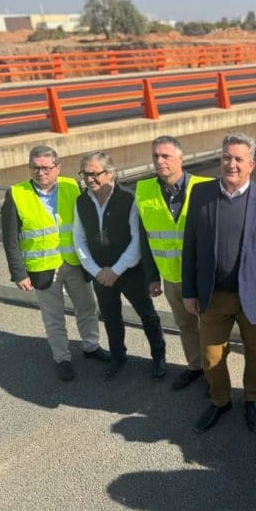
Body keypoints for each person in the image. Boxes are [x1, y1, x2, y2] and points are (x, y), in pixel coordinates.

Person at [182, 132, 256, 434]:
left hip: (255, 296)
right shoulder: (201, 194)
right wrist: (189, 291)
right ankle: (220, 400)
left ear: (251, 164)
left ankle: (252, 398)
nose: (231, 164)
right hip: (213, 296)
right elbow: (189, 246)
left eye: (239, 159)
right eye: (227, 157)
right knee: (212, 355)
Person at [1, 145, 109, 382]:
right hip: (42, 268)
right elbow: (10, 239)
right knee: (53, 316)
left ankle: (91, 346)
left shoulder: (73, 186)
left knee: (87, 307)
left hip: (74, 262)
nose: (41, 173)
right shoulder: (16, 194)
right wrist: (19, 273)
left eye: (46, 168)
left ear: (57, 168)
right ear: (30, 168)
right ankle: (62, 358)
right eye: (35, 168)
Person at [73, 151, 168, 381]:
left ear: (110, 173)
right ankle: (118, 356)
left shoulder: (128, 198)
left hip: (130, 271)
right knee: (110, 316)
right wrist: (97, 272)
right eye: (85, 174)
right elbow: (78, 238)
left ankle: (158, 356)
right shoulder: (82, 201)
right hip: (101, 273)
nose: (89, 179)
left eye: (95, 174)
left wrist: (116, 270)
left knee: (147, 314)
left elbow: (138, 240)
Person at [136, 135, 213, 390]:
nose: (160, 161)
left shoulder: (205, 187)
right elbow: (145, 238)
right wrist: (151, 276)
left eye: (166, 155)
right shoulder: (144, 190)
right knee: (185, 325)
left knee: (211, 328)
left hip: (202, 277)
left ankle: (216, 376)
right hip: (171, 276)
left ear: (181, 157)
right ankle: (195, 367)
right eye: (156, 156)